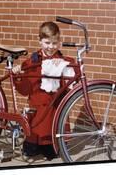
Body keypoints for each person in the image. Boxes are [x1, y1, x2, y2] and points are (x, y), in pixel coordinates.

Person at [12, 21, 75, 160]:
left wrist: (64, 65)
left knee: (52, 151)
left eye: (54, 43)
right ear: (39, 41)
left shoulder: (63, 60)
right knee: (31, 148)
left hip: (54, 111)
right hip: (37, 112)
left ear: (59, 41)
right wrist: (18, 75)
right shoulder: (32, 62)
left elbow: (72, 81)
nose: (51, 47)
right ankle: (33, 146)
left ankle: (50, 146)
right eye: (47, 43)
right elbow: (25, 89)